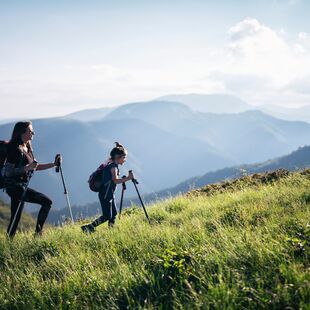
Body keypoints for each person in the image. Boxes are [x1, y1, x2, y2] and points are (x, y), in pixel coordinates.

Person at [5, 121, 61, 237]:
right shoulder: (15, 149)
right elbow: (9, 172)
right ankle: (38, 234)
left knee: (15, 217)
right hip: (15, 187)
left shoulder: (27, 147)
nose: (33, 133)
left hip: (20, 186)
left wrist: (54, 164)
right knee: (47, 202)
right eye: (30, 131)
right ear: (22, 132)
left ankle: (8, 243)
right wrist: (27, 168)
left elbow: (35, 167)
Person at [81, 142, 133, 233]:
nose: (125, 160)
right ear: (118, 157)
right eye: (124, 157)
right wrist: (128, 178)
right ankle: (89, 227)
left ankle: (111, 231)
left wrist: (123, 179)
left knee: (114, 214)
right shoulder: (113, 167)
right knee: (107, 216)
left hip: (108, 194)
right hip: (105, 195)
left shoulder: (112, 165)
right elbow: (115, 180)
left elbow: (114, 180)